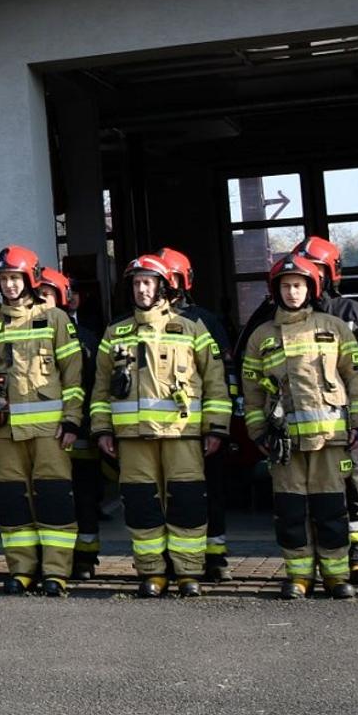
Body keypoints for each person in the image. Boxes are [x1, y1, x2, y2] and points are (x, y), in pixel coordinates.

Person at [236, 236, 358, 587]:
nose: (292, 291)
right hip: (284, 440)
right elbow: (252, 387)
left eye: (300, 283)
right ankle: (299, 576)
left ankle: (341, 573)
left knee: (334, 505)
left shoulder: (341, 323)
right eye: (286, 285)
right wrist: (258, 433)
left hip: (332, 435)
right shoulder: (262, 332)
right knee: (289, 510)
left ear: (315, 284)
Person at [91, 254, 232, 599]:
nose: (141, 289)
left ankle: (188, 571)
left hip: (181, 435)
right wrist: (102, 429)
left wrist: (215, 428)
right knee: (141, 506)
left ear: (163, 287)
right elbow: (100, 388)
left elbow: (215, 381)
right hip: (133, 438)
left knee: (186, 503)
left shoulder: (191, 328)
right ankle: (152, 572)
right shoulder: (115, 332)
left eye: (148, 282)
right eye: (137, 283)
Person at [0, 246, 85, 597]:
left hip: (49, 431)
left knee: (53, 499)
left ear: (30, 279)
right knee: (12, 501)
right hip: (5, 432)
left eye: (15, 278)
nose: (9, 285)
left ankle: (55, 572)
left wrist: (71, 421)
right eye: (4, 279)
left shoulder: (55, 318)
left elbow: (73, 375)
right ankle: (21, 569)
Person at [154, 247, 236, 582]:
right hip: (161, 428)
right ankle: (170, 559)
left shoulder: (204, 321)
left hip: (199, 426)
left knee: (208, 491)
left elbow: (221, 375)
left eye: (170, 279)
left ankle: (214, 557)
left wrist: (218, 426)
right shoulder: (138, 321)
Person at [40, 267, 105, 580]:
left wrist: (89, 426)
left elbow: (94, 385)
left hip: (79, 435)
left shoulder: (87, 338)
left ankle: (85, 558)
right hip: (44, 435)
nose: (41, 302)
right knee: (51, 497)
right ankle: (54, 559)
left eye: (47, 296)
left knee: (83, 496)